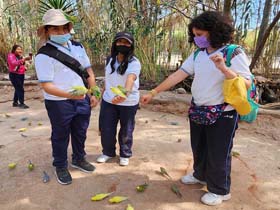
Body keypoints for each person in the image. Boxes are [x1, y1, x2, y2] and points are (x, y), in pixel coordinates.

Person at [141, 11, 252, 206]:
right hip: (199, 109)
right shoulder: (198, 54)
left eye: (200, 34)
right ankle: (200, 174)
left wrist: (224, 69)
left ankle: (220, 190)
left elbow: (247, 83)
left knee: (219, 152)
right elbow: (178, 75)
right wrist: (154, 91)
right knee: (199, 147)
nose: (196, 38)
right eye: (194, 34)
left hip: (223, 112)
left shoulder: (233, 52)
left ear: (215, 32)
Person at [35, 9, 98, 185]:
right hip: (59, 103)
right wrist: (70, 95)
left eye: (64, 28)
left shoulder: (78, 47)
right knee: (61, 134)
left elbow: (88, 71)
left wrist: (92, 92)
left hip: (82, 100)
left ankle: (79, 158)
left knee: (80, 131)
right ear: (47, 31)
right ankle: (60, 165)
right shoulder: (43, 55)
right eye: (55, 29)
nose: (61, 32)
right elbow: (46, 85)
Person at [96, 32, 141, 166]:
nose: (123, 45)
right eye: (120, 42)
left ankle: (125, 153)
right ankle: (108, 152)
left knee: (126, 129)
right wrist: (102, 94)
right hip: (108, 101)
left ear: (131, 46)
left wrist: (123, 95)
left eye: (126, 43)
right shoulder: (110, 59)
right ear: (115, 44)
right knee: (107, 128)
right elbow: (108, 79)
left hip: (128, 102)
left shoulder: (134, 62)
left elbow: (131, 78)